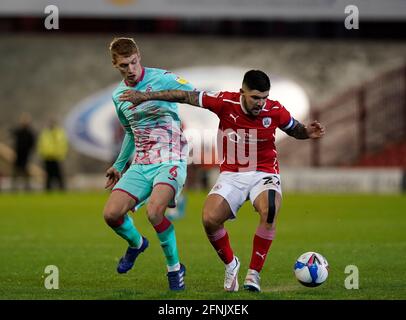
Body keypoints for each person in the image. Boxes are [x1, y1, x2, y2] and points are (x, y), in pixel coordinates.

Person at [119, 69, 325, 292]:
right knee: (209, 219)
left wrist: (307, 132)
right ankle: (231, 263)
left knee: (270, 209)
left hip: (264, 173)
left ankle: (253, 274)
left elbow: (295, 129)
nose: (261, 103)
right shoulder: (224, 102)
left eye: (264, 98)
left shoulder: (275, 110)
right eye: (255, 97)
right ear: (242, 93)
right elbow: (184, 96)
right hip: (232, 175)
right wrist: (145, 96)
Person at [103, 37, 195, 291]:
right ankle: (136, 244)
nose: (130, 69)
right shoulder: (118, 96)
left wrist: (148, 96)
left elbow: (194, 94)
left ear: (139, 56)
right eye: (124, 66)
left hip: (171, 157)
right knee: (111, 215)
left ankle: (175, 269)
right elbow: (131, 133)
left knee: (155, 212)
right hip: (142, 163)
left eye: (133, 62)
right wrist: (119, 166)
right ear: (115, 65)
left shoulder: (162, 77)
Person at [37, 118, 68, 191]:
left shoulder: (59, 133)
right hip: (47, 157)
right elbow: (41, 145)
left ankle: (62, 189)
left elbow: (64, 145)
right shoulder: (45, 133)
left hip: (57, 157)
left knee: (58, 174)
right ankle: (48, 189)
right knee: (48, 175)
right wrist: (42, 154)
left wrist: (62, 154)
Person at [11, 113, 36, 191]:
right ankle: (14, 187)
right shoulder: (18, 131)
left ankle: (27, 187)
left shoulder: (30, 133)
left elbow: (33, 143)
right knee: (16, 172)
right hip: (18, 154)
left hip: (26, 155)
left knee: (25, 172)